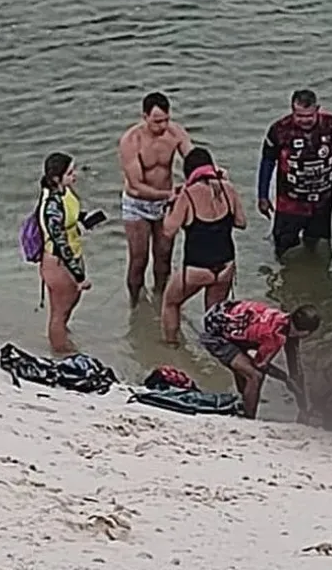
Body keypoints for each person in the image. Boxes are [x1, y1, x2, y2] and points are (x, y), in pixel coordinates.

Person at [256, 89, 332, 258]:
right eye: (300, 116)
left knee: (318, 243)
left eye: (309, 116)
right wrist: (263, 196)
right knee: (283, 247)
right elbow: (267, 162)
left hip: (322, 200)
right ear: (292, 110)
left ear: (317, 109)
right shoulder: (279, 130)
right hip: (290, 202)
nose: (305, 121)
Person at [161, 147, 247, 345]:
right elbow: (241, 223)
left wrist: (170, 205)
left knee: (171, 303)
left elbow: (168, 231)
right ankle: (217, 353)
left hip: (197, 268)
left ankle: (171, 346)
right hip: (225, 266)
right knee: (215, 315)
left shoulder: (188, 195)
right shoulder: (228, 190)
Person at [118, 92, 194, 306]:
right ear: (145, 117)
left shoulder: (175, 132)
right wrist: (168, 194)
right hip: (137, 204)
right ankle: (135, 303)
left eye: (166, 120)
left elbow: (192, 158)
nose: (162, 125)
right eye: (157, 121)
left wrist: (210, 172)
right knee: (138, 259)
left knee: (164, 256)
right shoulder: (131, 140)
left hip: (165, 202)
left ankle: (161, 299)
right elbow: (136, 185)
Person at [200, 299, 321, 419]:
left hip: (222, 315)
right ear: (305, 333)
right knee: (255, 376)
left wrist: (303, 406)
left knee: (245, 368)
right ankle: (249, 418)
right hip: (216, 335)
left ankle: (245, 402)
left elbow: (296, 370)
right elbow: (260, 365)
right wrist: (285, 378)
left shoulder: (283, 319)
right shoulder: (275, 335)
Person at [37, 152, 92, 353]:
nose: (74, 176)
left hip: (73, 253)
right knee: (59, 311)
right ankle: (61, 352)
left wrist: (84, 219)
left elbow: (70, 216)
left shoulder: (65, 192)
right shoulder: (51, 205)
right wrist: (79, 276)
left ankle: (61, 336)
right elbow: (60, 243)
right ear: (56, 178)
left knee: (70, 303)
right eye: (69, 173)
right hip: (58, 261)